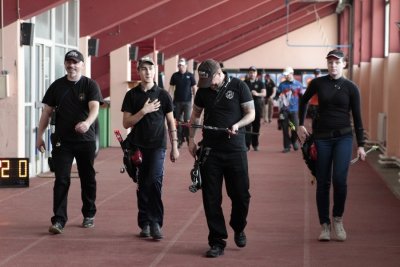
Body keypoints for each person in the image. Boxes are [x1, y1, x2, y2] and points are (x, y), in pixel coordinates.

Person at [188, 59, 255, 258]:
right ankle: (217, 241)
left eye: (211, 81)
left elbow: (251, 113)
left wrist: (237, 125)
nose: (209, 86)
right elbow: (196, 116)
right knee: (211, 198)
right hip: (211, 151)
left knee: (241, 196)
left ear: (219, 73)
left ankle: (238, 226)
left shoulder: (239, 86)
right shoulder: (203, 92)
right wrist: (191, 139)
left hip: (236, 151)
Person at [297, 49, 366, 242]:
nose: (333, 65)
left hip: (344, 137)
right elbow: (303, 101)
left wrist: (361, 144)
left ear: (344, 64)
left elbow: (358, 118)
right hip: (322, 138)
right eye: (330, 62)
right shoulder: (318, 83)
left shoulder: (351, 88)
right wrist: (301, 124)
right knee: (323, 182)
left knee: (340, 181)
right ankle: (325, 225)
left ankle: (337, 219)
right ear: (327, 64)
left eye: (336, 62)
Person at [36, 49, 103, 234]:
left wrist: (87, 123)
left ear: (82, 64)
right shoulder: (57, 86)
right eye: (68, 62)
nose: (71, 65)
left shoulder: (90, 85)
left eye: (75, 62)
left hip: (85, 141)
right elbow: (47, 113)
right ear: (65, 64)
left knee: (87, 178)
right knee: (61, 179)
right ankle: (59, 220)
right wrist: (39, 136)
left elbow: (95, 108)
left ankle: (89, 214)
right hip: (62, 142)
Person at [121, 56, 179, 240]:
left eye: (150, 69)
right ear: (138, 71)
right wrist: (143, 111)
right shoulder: (131, 95)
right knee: (142, 184)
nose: (147, 72)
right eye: (144, 69)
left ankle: (155, 223)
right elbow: (126, 122)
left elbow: (171, 122)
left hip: (157, 147)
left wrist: (175, 146)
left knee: (154, 182)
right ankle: (144, 223)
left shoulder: (163, 95)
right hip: (137, 147)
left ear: (155, 71)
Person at [169, 58, 197, 148]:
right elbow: (171, 88)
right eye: (179, 65)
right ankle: (180, 139)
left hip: (188, 102)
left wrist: (195, 100)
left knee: (187, 121)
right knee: (178, 122)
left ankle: (188, 138)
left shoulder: (190, 75)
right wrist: (169, 99)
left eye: (182, 65)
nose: (180, 67)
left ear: (186, 66)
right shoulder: (175, 76)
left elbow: (194, 88)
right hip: (177, 102)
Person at [276, 66, 303, 153]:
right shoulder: (282, 84)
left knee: (294, 128)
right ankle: (286, 147)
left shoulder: (299, 84)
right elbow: (277, 95)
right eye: (285, 75)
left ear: (292, 73)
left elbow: (302, 97)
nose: (286, 76)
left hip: (294, 110)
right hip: (284, 111)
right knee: (285, 129)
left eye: (288, 74)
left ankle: (293, 141)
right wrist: (277, 100)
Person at [244, 66, 265, 151]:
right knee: (247, 126)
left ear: (256, 73)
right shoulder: (244, 83)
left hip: (257, 106)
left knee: (256, 126)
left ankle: (255, 144)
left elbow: (264, 93)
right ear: (248, 73)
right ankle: (247, 145)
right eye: (250, 72)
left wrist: (257, 94)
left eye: (254, 72)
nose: (252, 74)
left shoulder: (260, 83)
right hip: (247, 108)